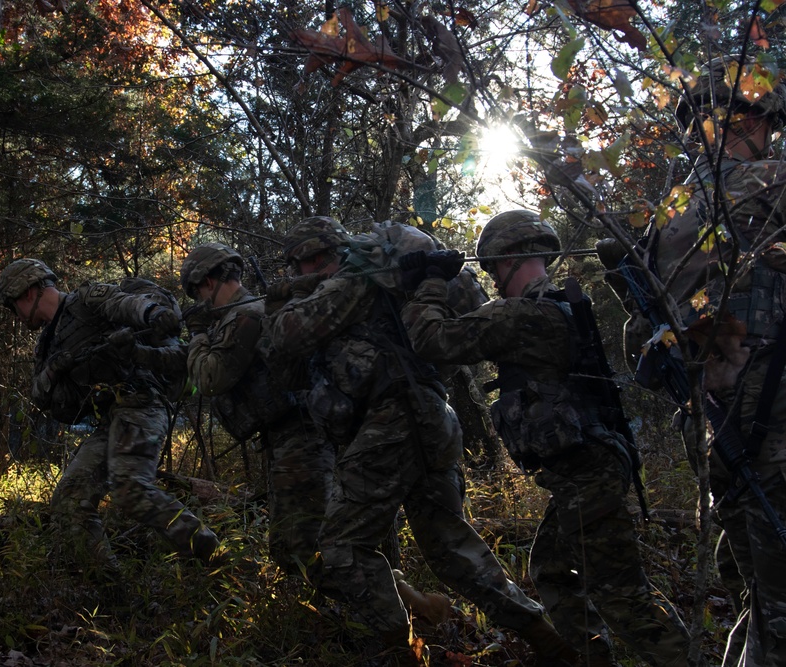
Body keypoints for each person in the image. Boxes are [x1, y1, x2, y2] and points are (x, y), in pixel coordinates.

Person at [265, 216, 576, 665]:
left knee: (342, 547)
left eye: (304, 264)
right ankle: (544, 635)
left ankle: (399, 651)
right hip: (433, 418)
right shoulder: (391, 277)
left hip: (390, 423)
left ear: (315, 257)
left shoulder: (347, 284)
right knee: (450, 546)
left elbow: (287, 336)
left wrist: (289, 297)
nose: (302, 272)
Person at [400, 210, 691, 667]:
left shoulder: (518, 315)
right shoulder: (562, 305)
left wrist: (430, 283)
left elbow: (433, 341)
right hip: (585, 472)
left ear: (512, 257)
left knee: (624, 600)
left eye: (493, 266)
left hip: (586, 476)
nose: (493, 278)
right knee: (552, 571)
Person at [602, 55, 786, 667]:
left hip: (716, 433)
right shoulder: (766, 183)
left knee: (762, 600)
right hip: (771, 434)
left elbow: (645, 351)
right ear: (750, 119)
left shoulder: (668, 219)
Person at [0, 258, 220, 575]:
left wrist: (154, 315)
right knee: (70, 500)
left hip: (141, 404)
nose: (15, 316)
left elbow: (125, 304)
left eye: (12, 304)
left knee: (130, 487)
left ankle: (209, 553)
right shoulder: (46, 345)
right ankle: (108, 588)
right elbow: (40, 395)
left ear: (28, 293)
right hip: (110, 420)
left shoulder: (86, 300)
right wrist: (56, 368)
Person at [179, 242, 334, 572]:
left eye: (196, 293)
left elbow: (209, 379)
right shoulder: (242, 314)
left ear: (206, 282)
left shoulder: (246, 315)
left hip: (302, 440)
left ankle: (395, 610)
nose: (198, 302)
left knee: (310, 550)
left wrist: (197, 336)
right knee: (287, 548)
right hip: (287, 440)